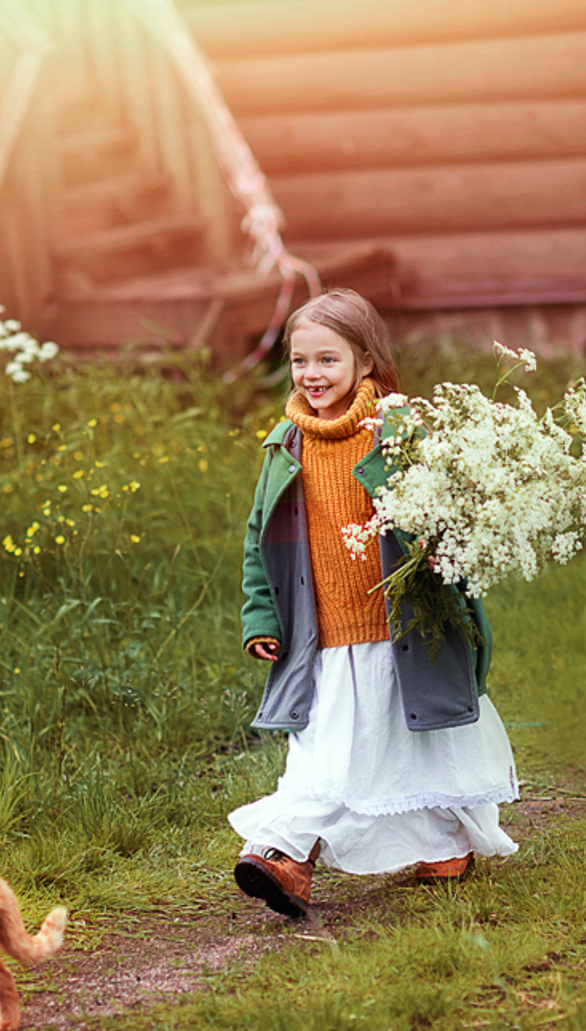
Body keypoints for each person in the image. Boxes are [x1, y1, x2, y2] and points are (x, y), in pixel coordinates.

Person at [229, 289, 518, 919]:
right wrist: (261, 617)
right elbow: (260, 541)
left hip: (405, 628)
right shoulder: (285, 447)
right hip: (322, 635)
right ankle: (287, 858)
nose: (312, 375)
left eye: (328, 360)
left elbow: (448, 510)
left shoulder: (395, 432)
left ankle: (446, 842)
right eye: (300, 361)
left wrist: (448, 549)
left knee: (419, 742)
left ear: (365, 361)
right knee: (325, 746)